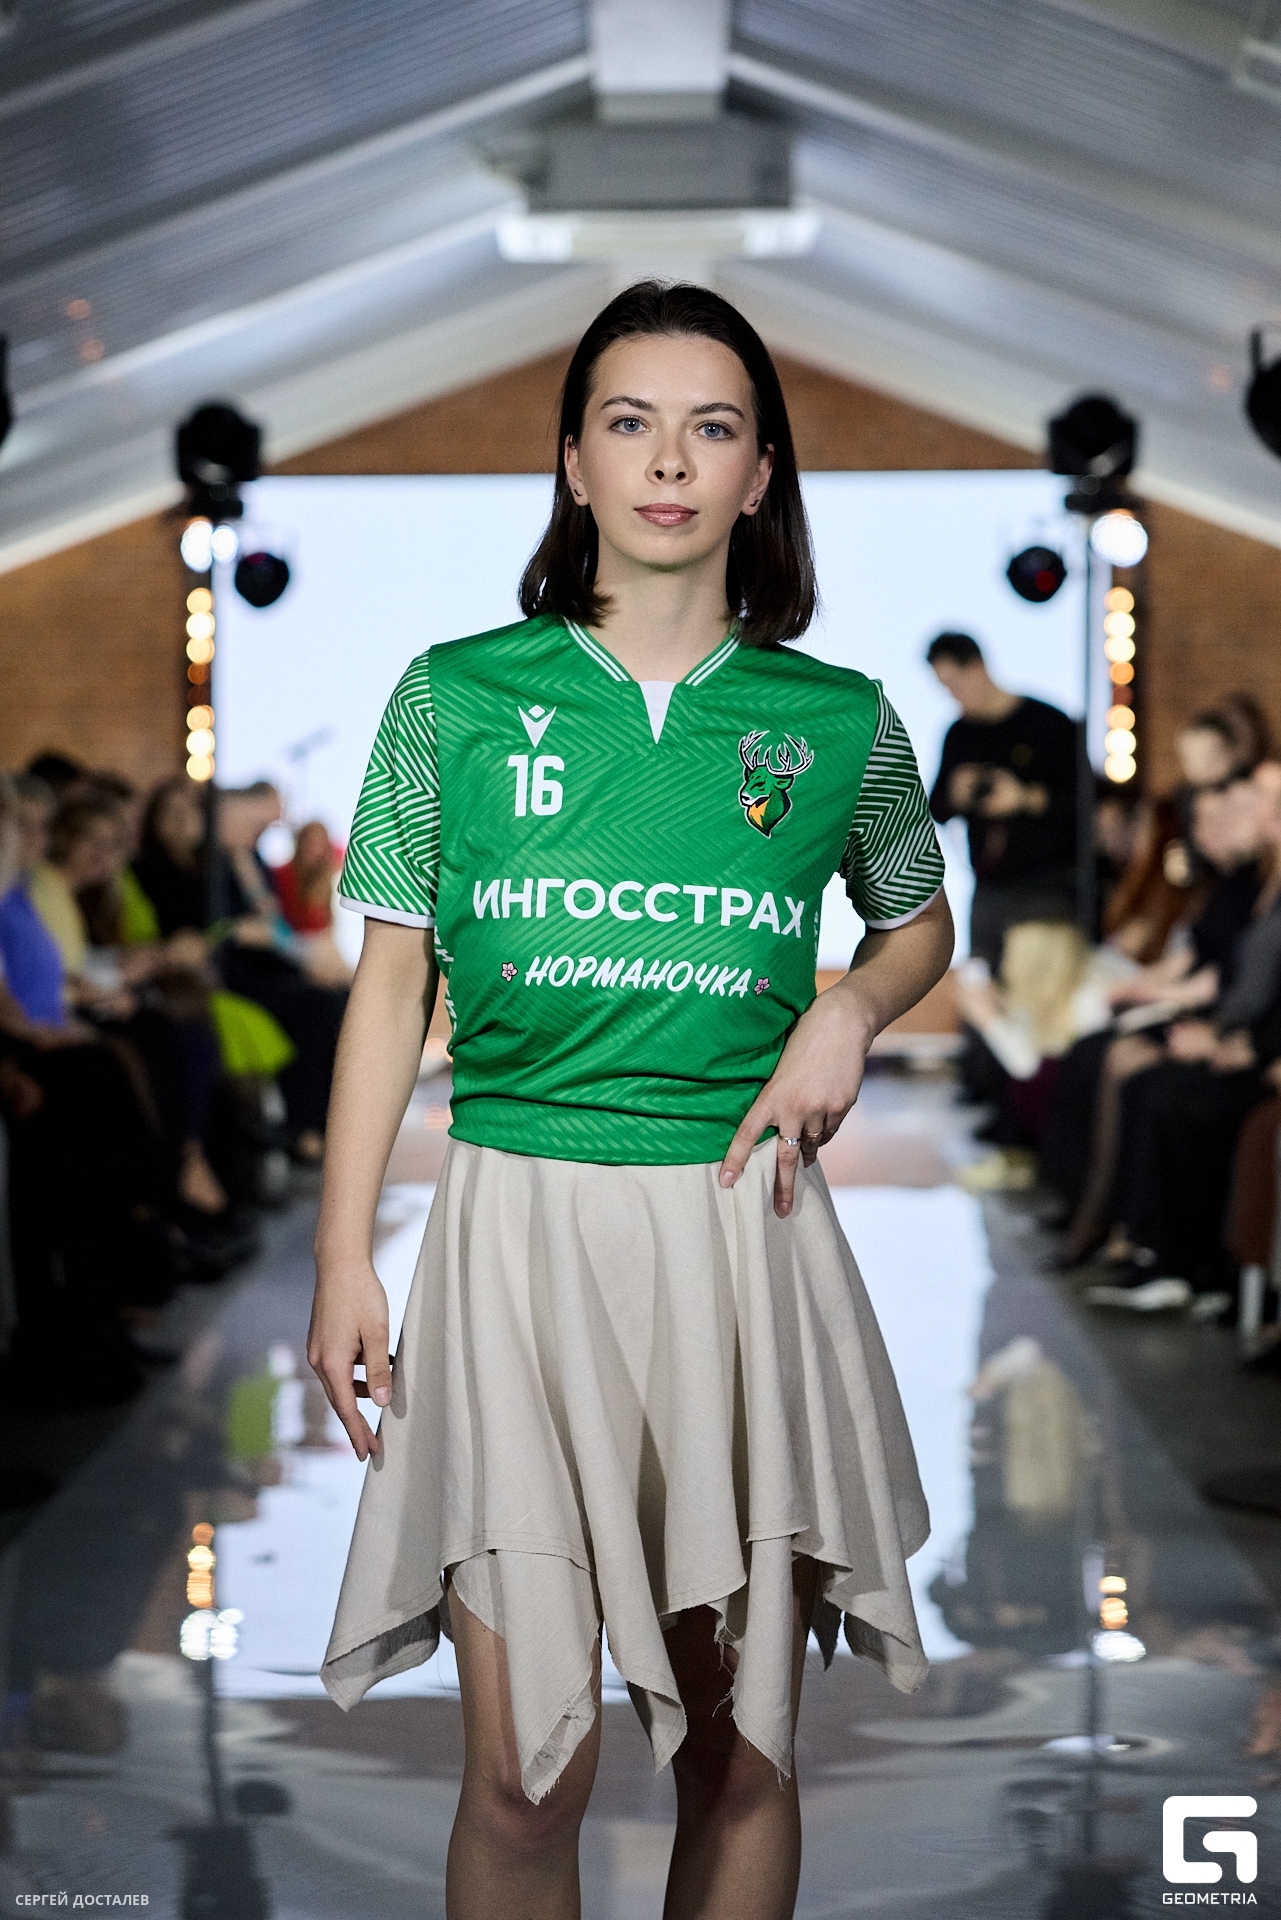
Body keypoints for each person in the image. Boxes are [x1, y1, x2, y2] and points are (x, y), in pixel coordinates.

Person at [308, 281, 952, 1920]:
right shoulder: (450, 698)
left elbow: (917, 919)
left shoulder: (838, 720)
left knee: (739, 1758)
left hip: (742, 1239)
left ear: (760, 474)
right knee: (525, 1775)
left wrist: (851, 1010)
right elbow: (390, 983)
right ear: (574, 462)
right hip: (512, 1235)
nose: (669, 460)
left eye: (711, 427)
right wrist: (340, 1255)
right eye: (629, 422)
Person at [926, 632, 1078, 963]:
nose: (953, 694)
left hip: (1048, 885)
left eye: (955, 683)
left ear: (977, 667)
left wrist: (1024, 798)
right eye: (945, 687)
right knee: (980, 977)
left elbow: (1082, 802)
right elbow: (935, 808)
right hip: (989, 887)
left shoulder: (1047, 723)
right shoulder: (960, 735)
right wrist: (957, 792)